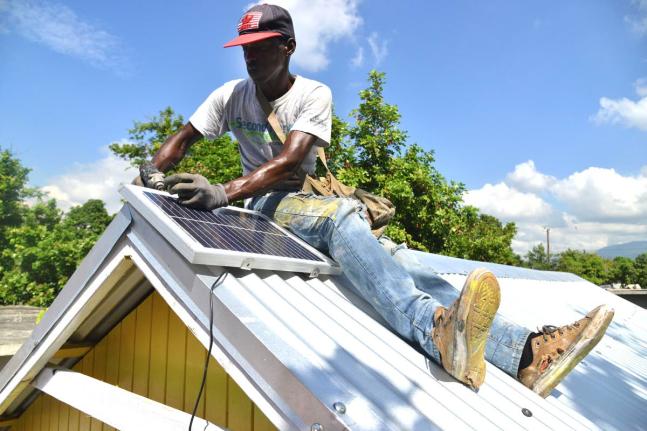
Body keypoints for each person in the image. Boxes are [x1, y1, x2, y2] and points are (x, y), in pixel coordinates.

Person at [141, 4, 614, 398]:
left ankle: (527, 354)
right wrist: (154, 169)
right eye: (244, 49)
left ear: (287, 46)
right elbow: (181, 140)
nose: (250, 58)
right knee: (340, 219)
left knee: (408, 265)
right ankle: (433, 329)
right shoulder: (231, 95)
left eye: (261, 46)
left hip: (299, 197)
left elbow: (290, 162)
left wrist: (221, 190)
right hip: (262, 203)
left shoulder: (312, 94)